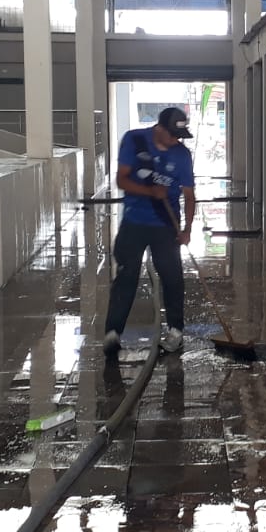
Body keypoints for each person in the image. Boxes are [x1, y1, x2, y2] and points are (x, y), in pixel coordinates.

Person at [103, 106, 196, 356]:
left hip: (166, 224)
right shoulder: (135, 140)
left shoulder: (182, 155)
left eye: (180, 136)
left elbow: (189, 195)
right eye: (173, 135)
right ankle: (113, 333)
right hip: (134, 222)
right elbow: (122, 180)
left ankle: (176, 331)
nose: (176, 141)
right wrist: (150, 191)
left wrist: (187, 229)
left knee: (172, 277)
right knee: (126, 276)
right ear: (160, 129)